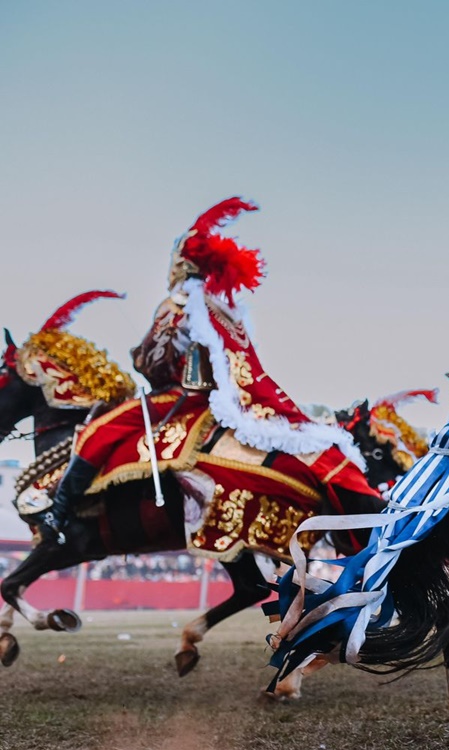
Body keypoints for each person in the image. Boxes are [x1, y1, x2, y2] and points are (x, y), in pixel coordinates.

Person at [37, 198, 374, 549]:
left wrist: (138, 357)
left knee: (100, 430)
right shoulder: (224, 309)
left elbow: (154, 359)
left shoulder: (178, 304)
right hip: (217, 403)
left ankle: (58, 512)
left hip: (182, 398)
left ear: (182, 265)